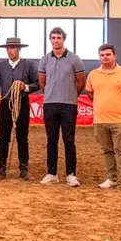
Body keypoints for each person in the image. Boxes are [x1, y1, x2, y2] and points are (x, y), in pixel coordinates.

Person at [85, 44, 121, 193]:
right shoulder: (93, 75)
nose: (105, 57)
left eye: (108, 54)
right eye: (102, 55)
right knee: (107, 150)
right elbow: (90, 93)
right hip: (100, 121)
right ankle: (111, 178)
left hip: (120, 120)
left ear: (115, 56)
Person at [0, 37, 40, 181]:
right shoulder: (0, 66)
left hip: (22, 103)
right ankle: (1, 167)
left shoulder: (28, 65)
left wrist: (25, 87)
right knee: (3, 137)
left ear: (19, 49)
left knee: (22, 137)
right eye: (8, 48)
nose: (10, 51)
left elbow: (37, 84)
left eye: (13, 48)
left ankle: (24, 168)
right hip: (5, 103)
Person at [38, 27, 85, 187]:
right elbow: (42, 82)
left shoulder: (74, 59)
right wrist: (51, 94)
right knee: (51, 140)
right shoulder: (44, 60)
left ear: (63, 39)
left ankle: (71, 174)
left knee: (69, 140)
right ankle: (52, 173)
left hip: (69, 105)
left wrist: (71, 95)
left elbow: (81, 82)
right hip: (50, 104)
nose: (55, 40)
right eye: (53, 37)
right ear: (50, 39)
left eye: (58, 37)